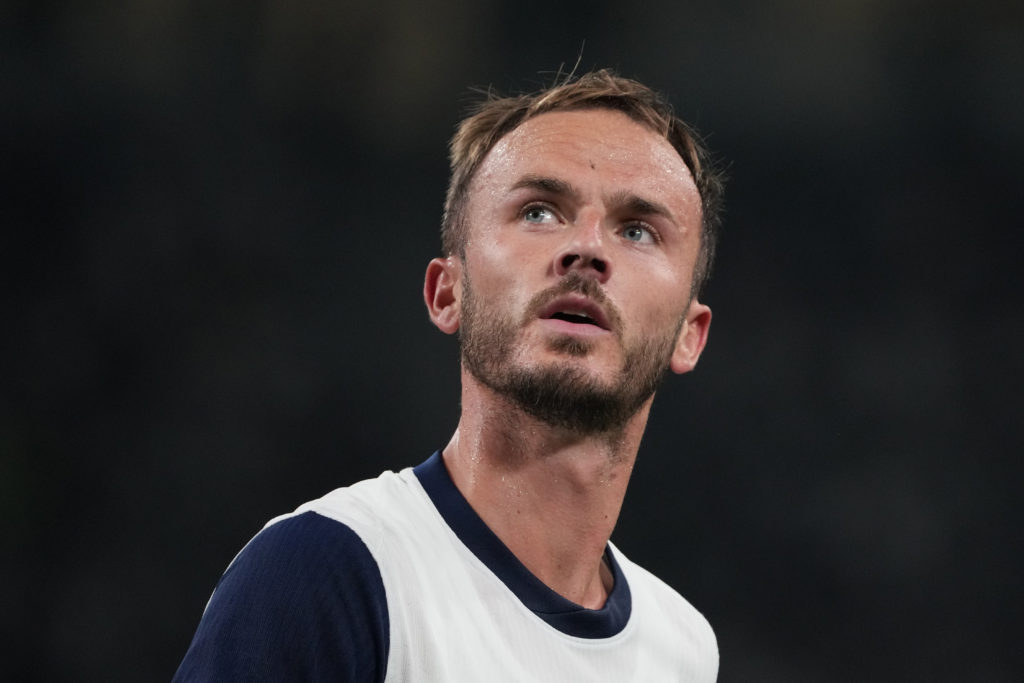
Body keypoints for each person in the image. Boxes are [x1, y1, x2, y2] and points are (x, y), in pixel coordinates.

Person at [173, 68, 725, 682]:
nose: (588, 248)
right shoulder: (329, 575)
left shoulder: (683, 648)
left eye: (637, 230)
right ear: (446, 292)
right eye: (540, 212)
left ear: (689, 333)